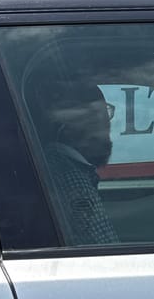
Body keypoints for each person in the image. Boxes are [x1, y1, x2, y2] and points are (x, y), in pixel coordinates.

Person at [41, 82, 120, 246]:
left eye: (105, 113)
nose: (104, 124)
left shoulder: (51, 163)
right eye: (91, 117)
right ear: (64, 124)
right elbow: (105, 249)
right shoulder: (72, 179)